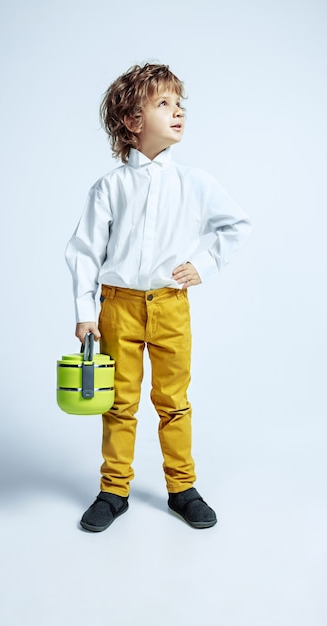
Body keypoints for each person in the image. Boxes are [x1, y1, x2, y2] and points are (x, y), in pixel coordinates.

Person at [65, 63, 251, 532]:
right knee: (118, 402)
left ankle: (182, 488)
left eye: (179, 104)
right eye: (164, 103)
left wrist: (203, 267)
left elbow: (236, 225)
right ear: (133, 121)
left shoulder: (195, 182)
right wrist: (86, 312)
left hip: (170, 305)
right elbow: (85, 252)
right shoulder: (109, 187)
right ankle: (114, 490)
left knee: (174, 401)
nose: (178, 112)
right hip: (118, 308)